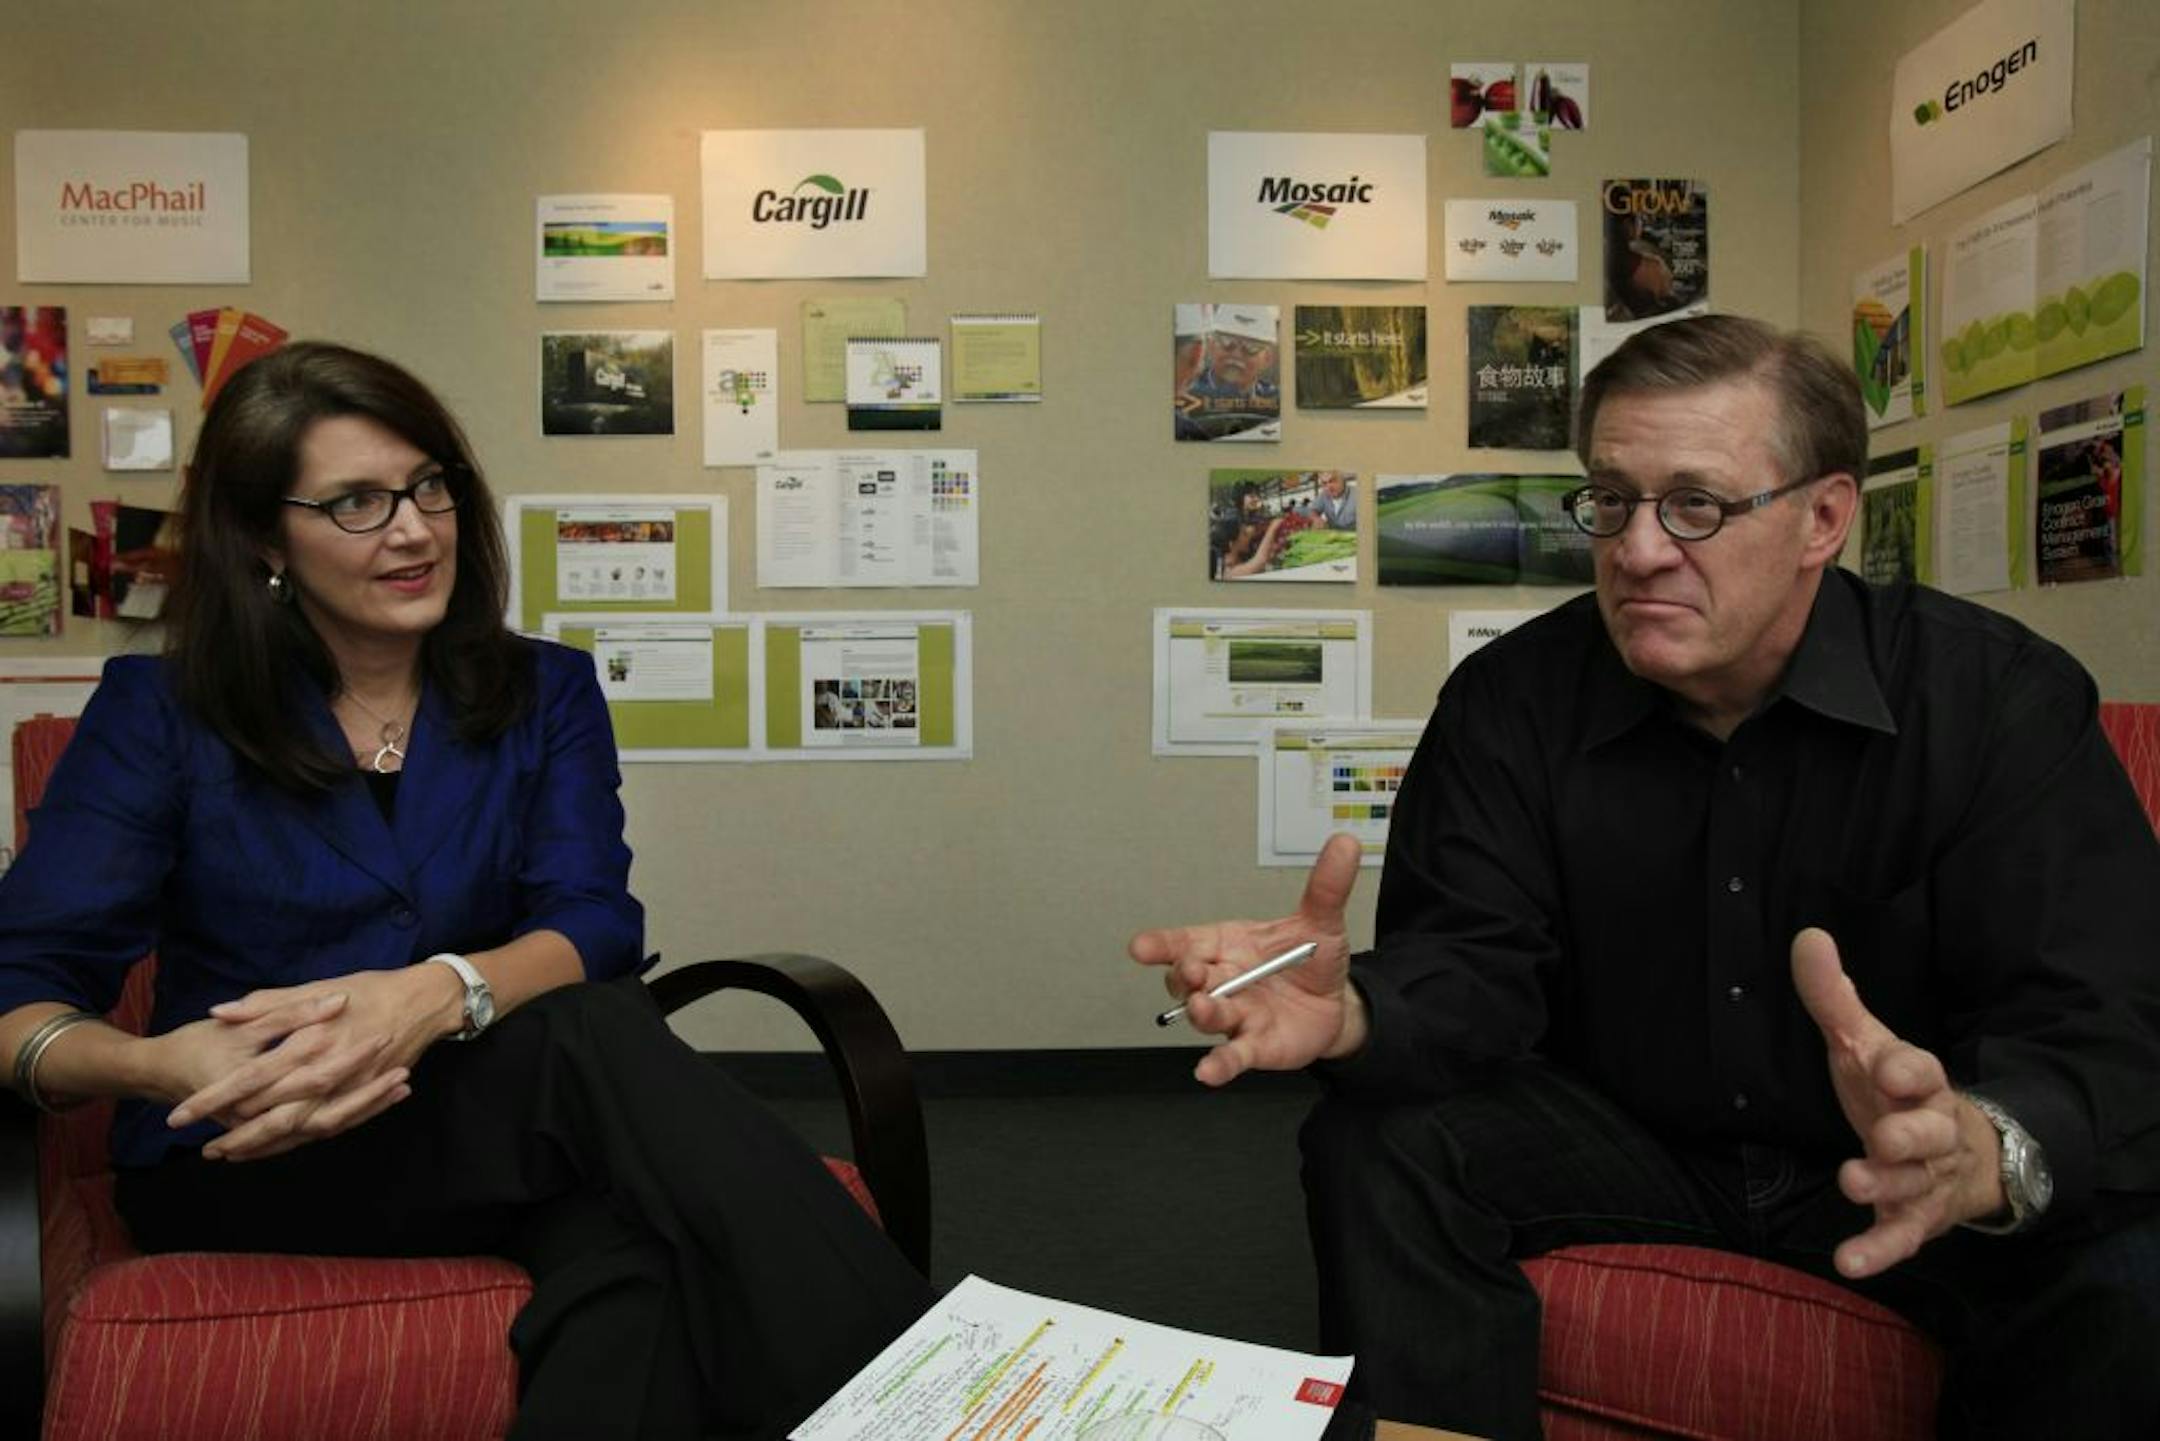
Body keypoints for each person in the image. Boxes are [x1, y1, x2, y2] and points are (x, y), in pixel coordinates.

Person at [1131, 315, 2160, 1439]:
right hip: (1636, 1140)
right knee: (1380, 1137)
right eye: (1612, 499)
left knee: (2126, 1261)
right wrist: (1359, 1011)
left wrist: (1986, 1145)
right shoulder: (1510, 701)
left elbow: (2099, 1011)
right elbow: (1475, 964)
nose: (1638, 548)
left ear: (1824, 516)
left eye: (1698, 505)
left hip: (1906, 1163)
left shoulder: (1996, 702)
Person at [0, 342, 932, 1440]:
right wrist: (159, 1061)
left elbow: (595, 919)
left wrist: (435, 993)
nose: (413, 528)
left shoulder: (545, 689)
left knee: (631, 1257)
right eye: (356, 502)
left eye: (428, 485)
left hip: (508, 1120)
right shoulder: (162, 713)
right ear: (264, 539)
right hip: (263, 1147)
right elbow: (21, 986)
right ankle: (939, 1404)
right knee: (595, 1050)